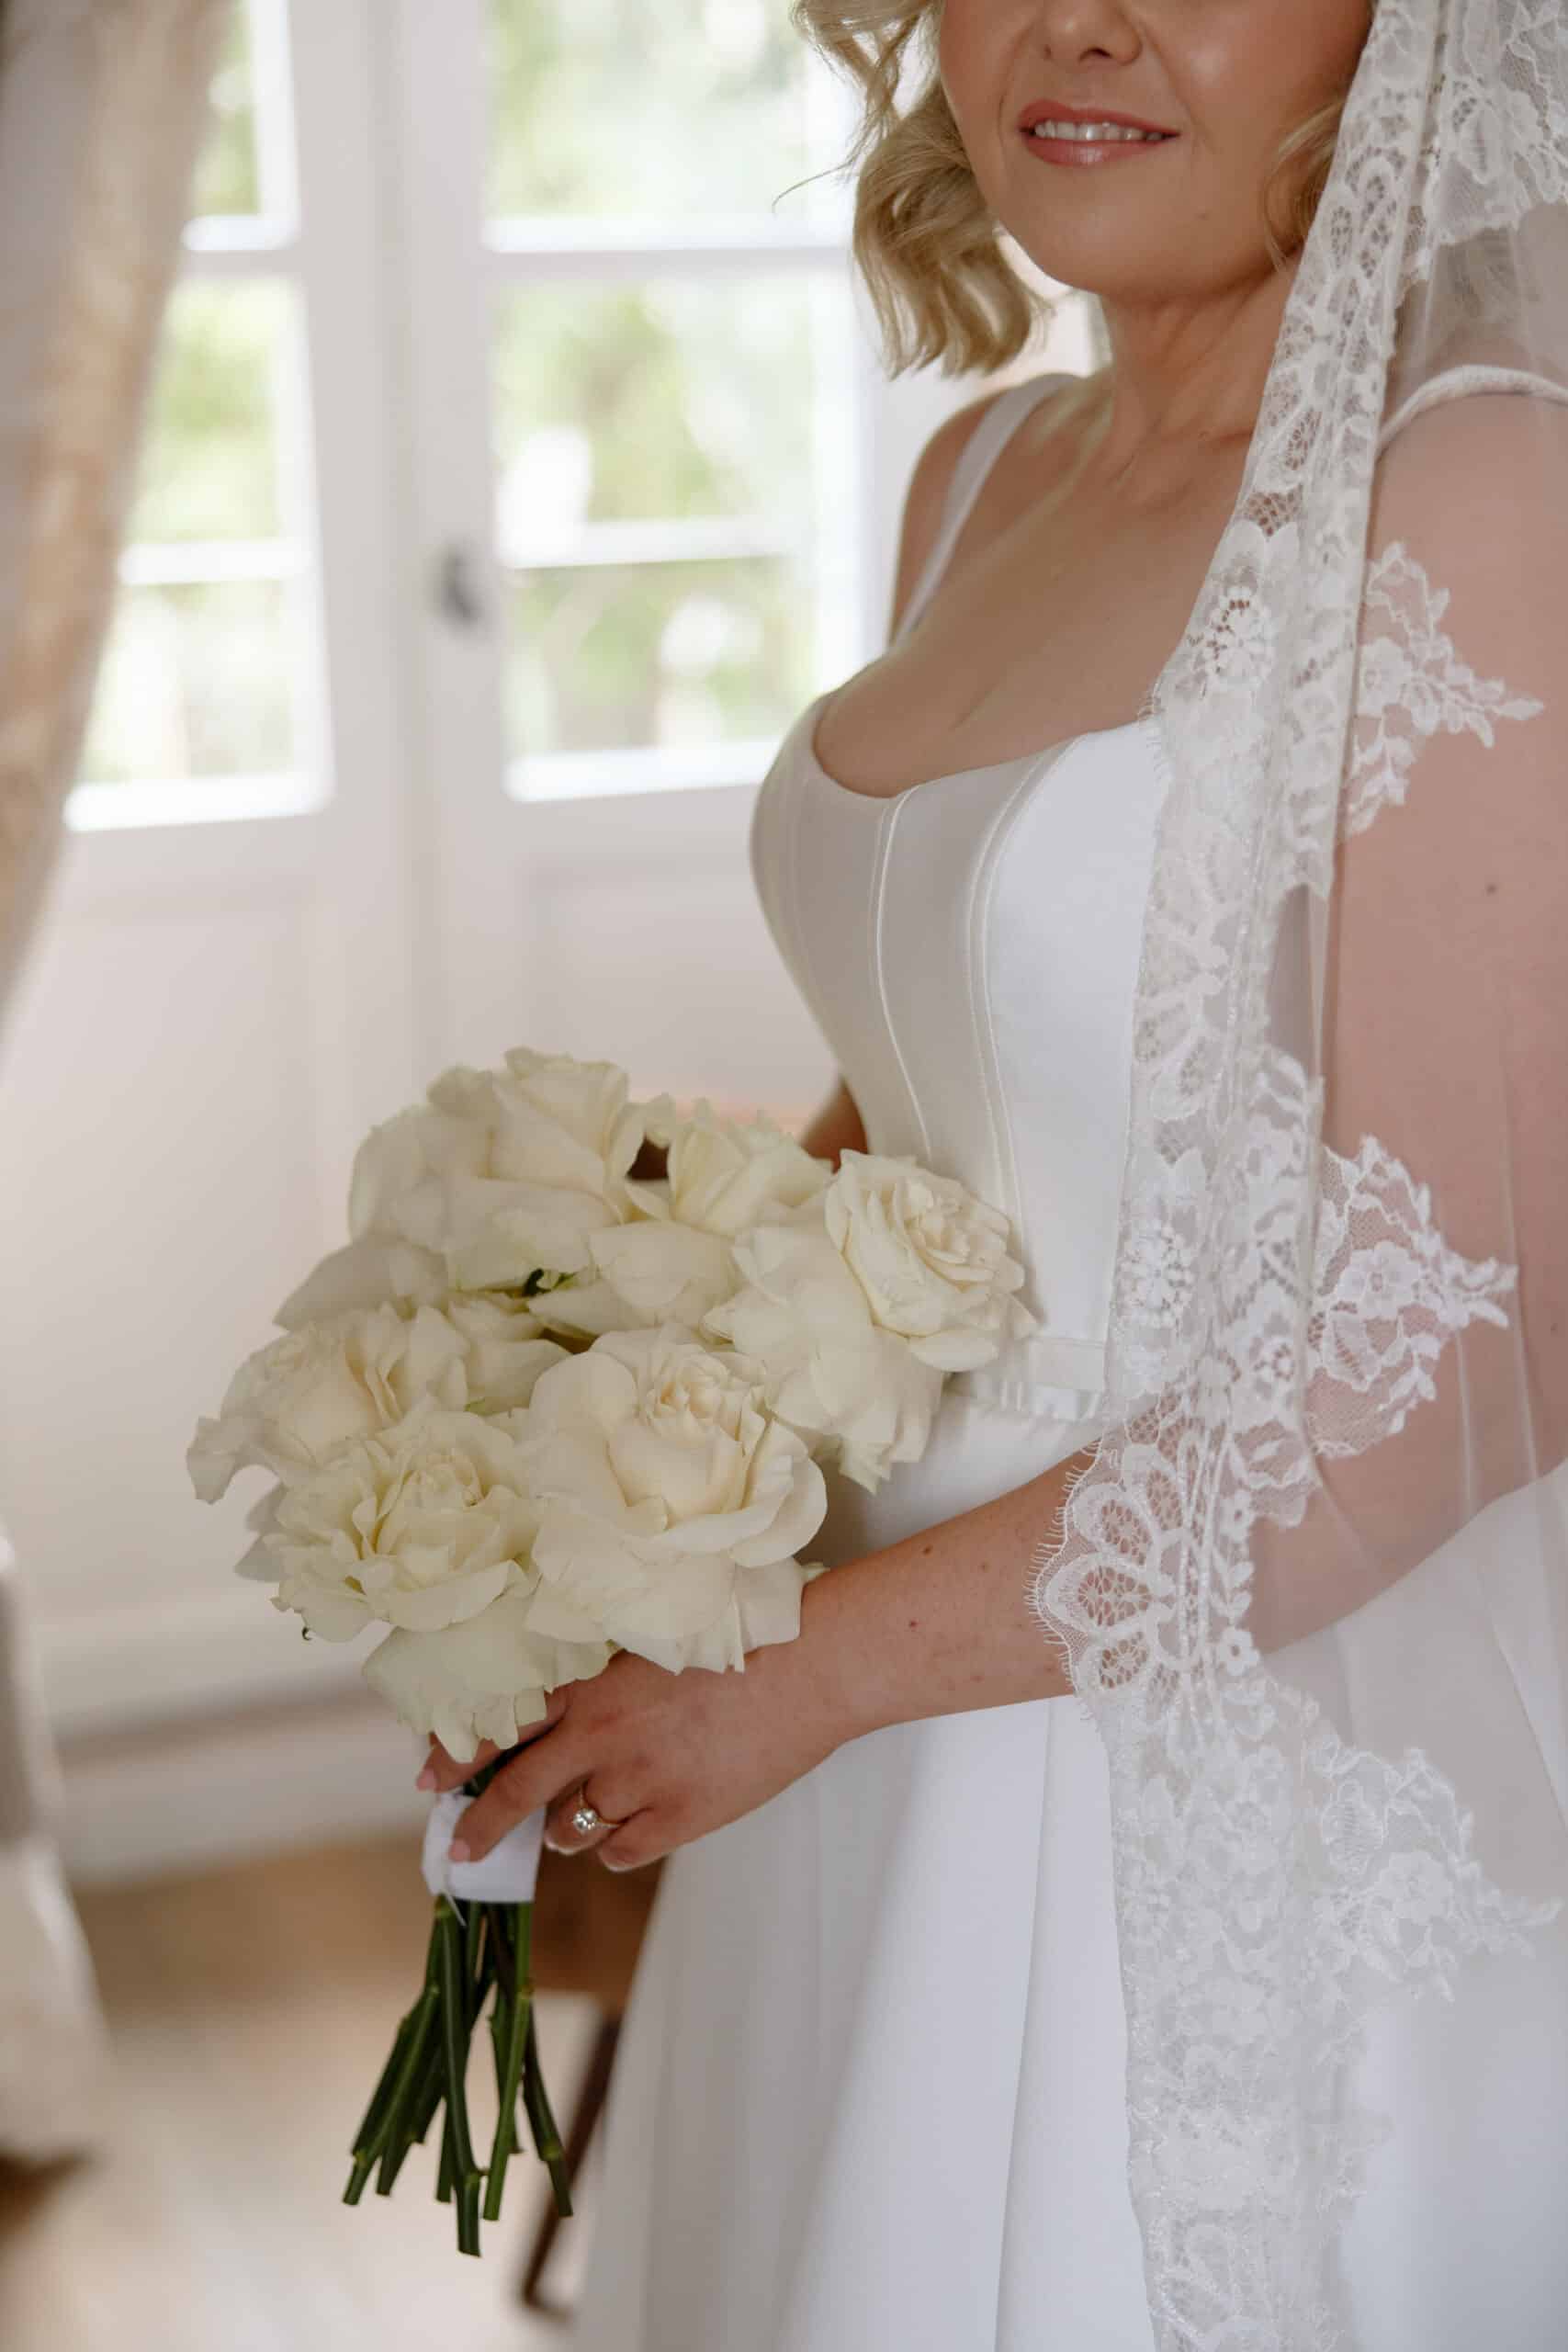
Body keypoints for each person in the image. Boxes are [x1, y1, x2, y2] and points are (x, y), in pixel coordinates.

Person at [422, 3, 1568, 2343]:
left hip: (1230, 1761)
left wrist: (804, 1674)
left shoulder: (1475, 495)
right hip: (846, 1718)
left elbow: (1455, 1342)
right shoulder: (985, 472)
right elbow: (937, 1109)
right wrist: (596, 1486)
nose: (1076, 20)